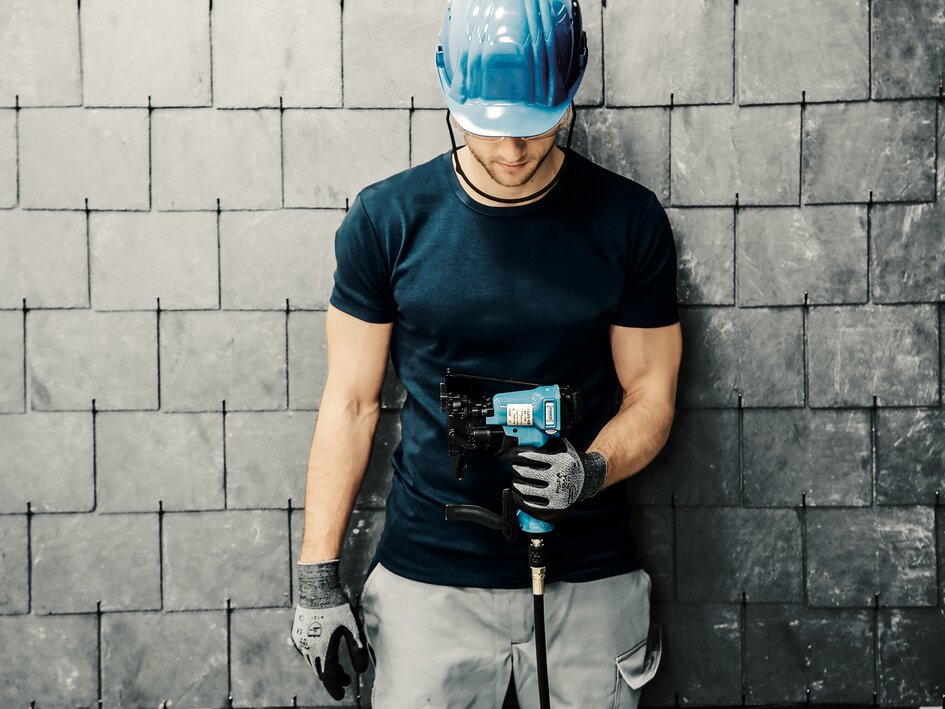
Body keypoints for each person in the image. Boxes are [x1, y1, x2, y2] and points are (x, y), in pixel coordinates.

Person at [289, 0, 682, 706]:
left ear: (570, 91)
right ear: (447, 90)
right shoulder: (386, 222)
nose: (510, 152)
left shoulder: (627, 220)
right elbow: (349, 401)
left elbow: (650, 395)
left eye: (534, 127)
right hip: (426, 583)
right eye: (486, 127)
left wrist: (589, 470)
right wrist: (318, 578)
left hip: (587, 578)